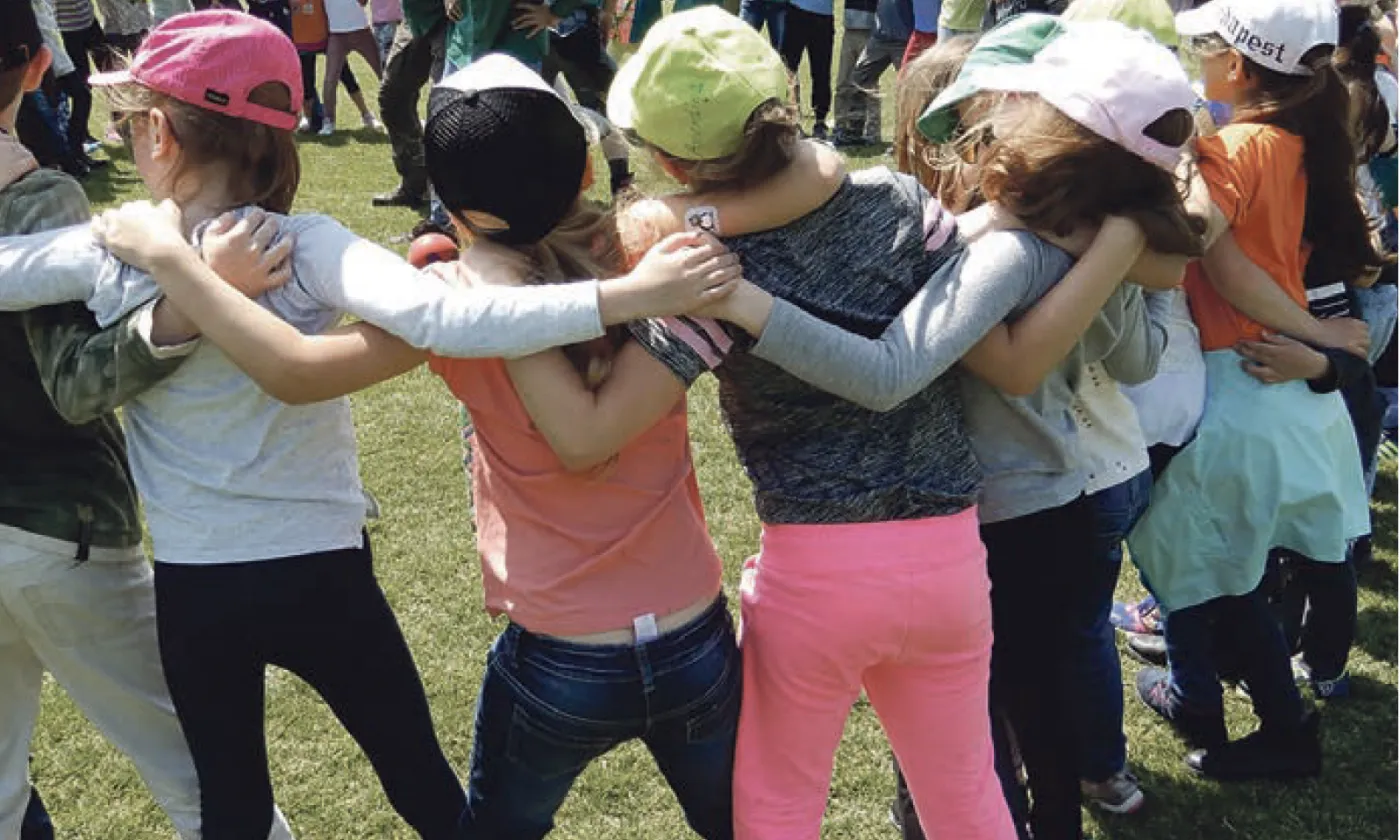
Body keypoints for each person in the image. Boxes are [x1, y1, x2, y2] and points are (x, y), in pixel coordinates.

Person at [0, 11, 739, 837]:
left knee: (234, 809)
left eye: (125, 122)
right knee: (421, 783)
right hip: (324, 574)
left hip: (197, 585)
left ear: (161, 135)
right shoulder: (301, 241)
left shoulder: (119, 247)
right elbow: (443, 316)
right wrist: (629, 297)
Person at [604, 9, 1197, 838]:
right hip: (950, 558)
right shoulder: (899, 203)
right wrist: (1125, 235)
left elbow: (600, 426)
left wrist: (696, 250)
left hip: (816, 572)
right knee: (968, 797)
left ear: (668, 158)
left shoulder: (700, 273)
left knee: (778, 801)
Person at [426, 54, 741, 839]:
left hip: (562, 649)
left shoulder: (448, 298)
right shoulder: (648, 245)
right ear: (580, 170)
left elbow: (577, 437)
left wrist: (487, 274)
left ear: (456, 203)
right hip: (691, 627)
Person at [0, 5, 294, 838]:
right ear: (34, 67)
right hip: (61, 528)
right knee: (204, 776)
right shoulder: (39, 194)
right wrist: (187, 301)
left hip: (42, 531)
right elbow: (75, 385)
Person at [1128, 0, 1380, 781]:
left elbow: (1215, 257)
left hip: (1244, 375)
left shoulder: (1234, 145)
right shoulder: (1297, 139)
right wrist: (1316, 334)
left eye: (1202, 44)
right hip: (1280, 387)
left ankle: (1258, 719)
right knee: (1222, 568)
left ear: (1236, 66)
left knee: (1198, 567)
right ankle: (1212, 700)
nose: (1193, 56)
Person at [370, 0, 450, 209]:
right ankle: (415, 185)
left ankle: (445, 199)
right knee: (392, 97)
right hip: (415, 17)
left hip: (453, 18)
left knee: (445, 108)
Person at [835, 0, 910, 148]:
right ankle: (855, 132)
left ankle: (903, 140)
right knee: (858, 78)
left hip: (903, 40)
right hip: (880, 38)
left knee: (907, 91)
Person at [321, 0, 384, 134]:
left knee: (384, 73)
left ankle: (403, 115)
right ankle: (328, 121)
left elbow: (364, 2)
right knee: (330, 80)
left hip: (361, 31)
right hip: (336, 35)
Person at [780, 0, 835, 138]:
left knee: (821, 71)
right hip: (796, 12)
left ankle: (820, 122)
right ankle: (790, 120)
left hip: (823, 16)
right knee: (788, 70)